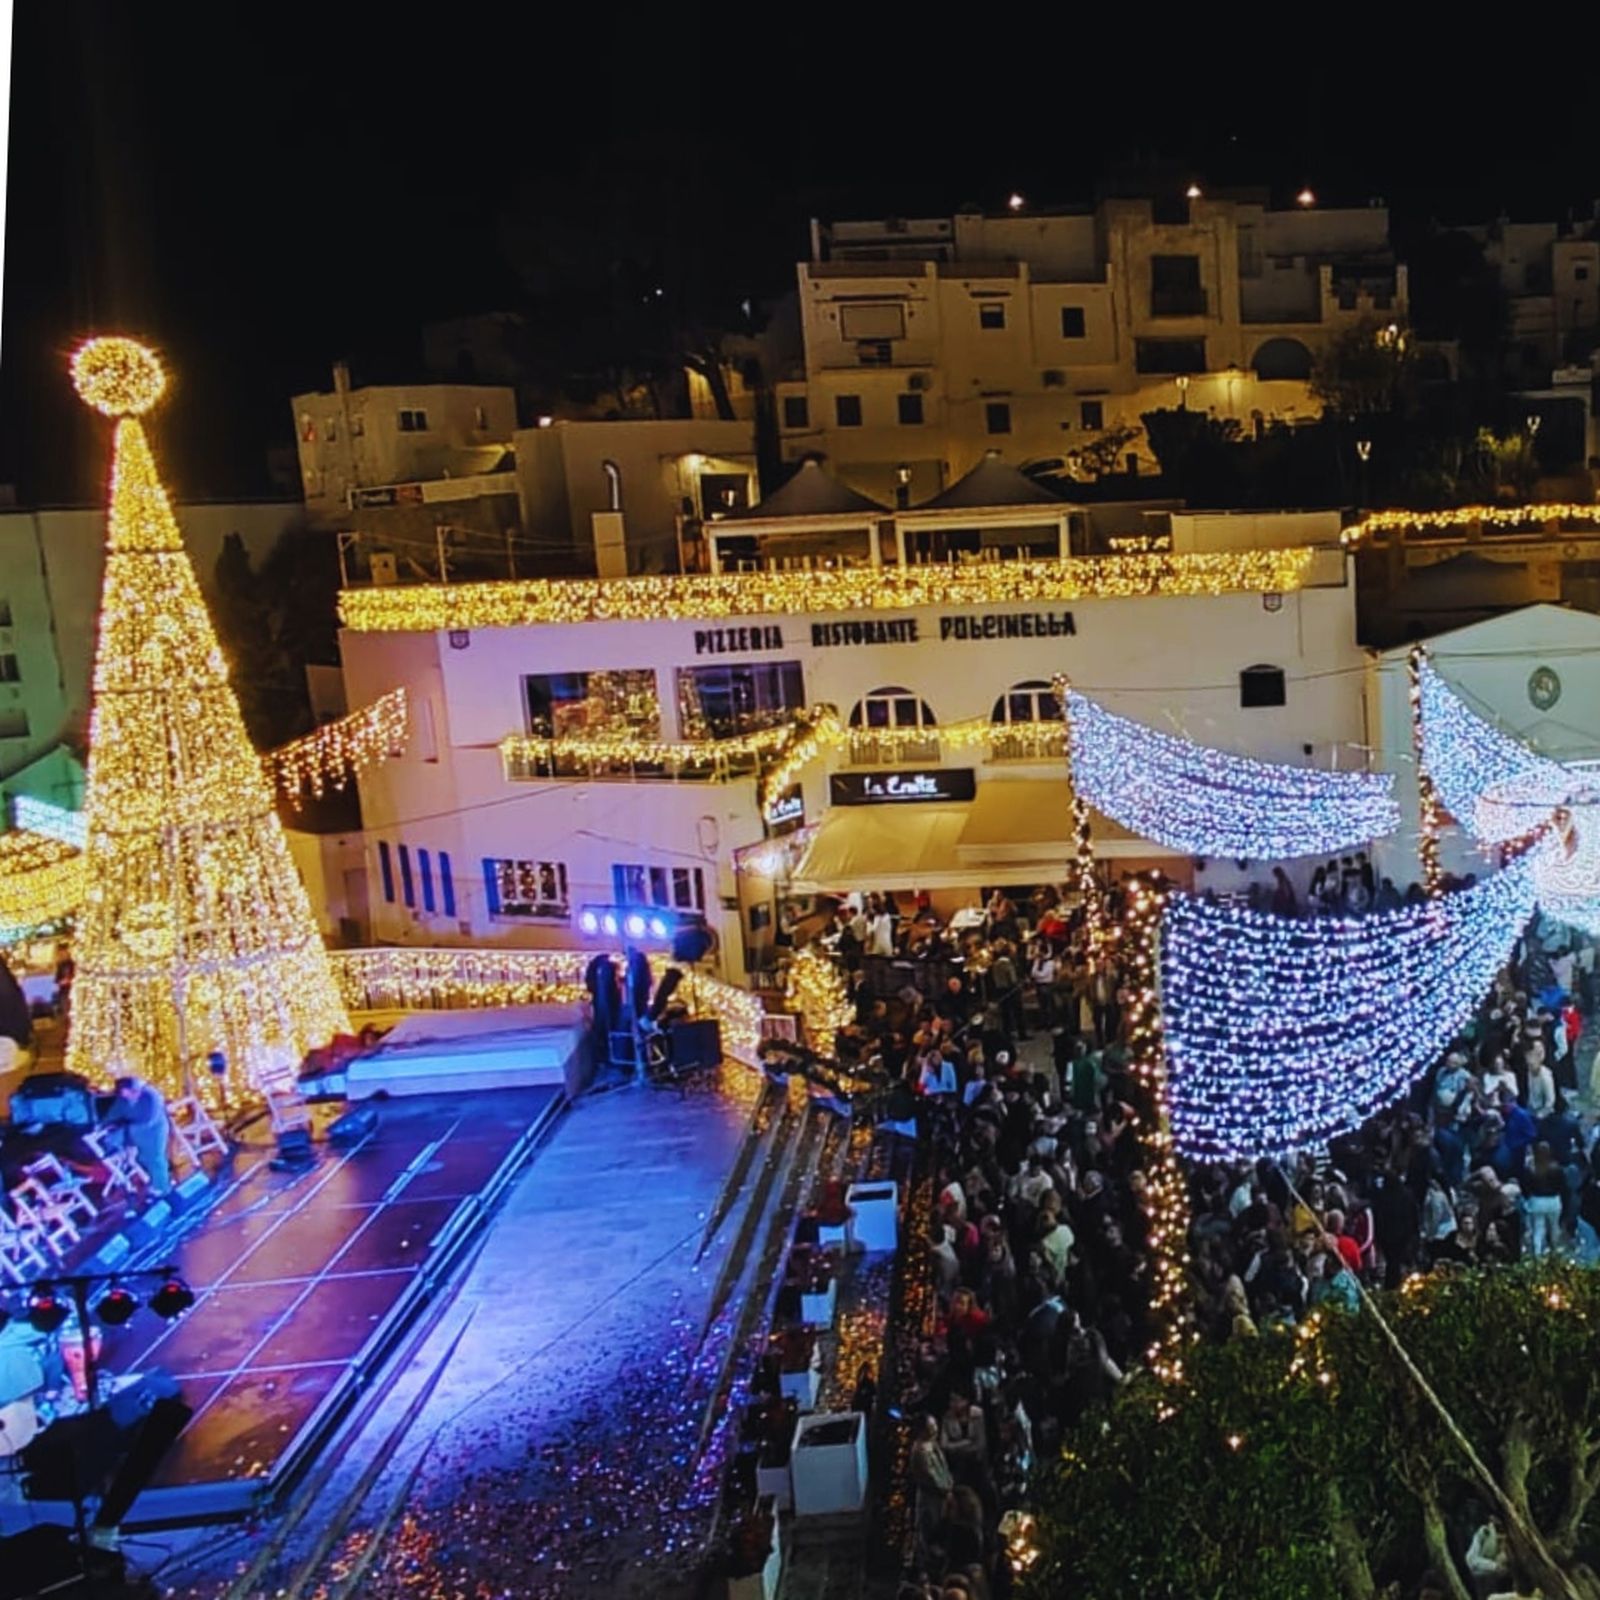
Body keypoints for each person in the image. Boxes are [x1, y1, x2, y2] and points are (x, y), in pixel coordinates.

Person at [105, 1074, 172, 1198]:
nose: (128, 1097)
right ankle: (155, 1183)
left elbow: (149, 1119)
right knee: (143, 1158)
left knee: (155, 1157)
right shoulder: (122, 1100)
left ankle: (163, 1188)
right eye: (124, 1095)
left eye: (129, 1093)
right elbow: (114, 1113)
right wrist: (104, 1124)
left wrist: (127, 1127)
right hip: (135, 1132)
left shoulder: (151, 1096)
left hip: (154, 1130)